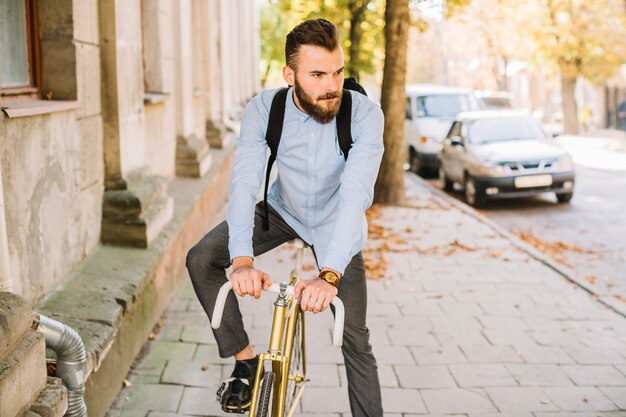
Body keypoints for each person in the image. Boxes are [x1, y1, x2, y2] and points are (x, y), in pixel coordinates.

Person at [186, 18, 384, 417]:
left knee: (354, 336)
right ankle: (246, 362)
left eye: (338, 72)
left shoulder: (364, 114)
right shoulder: (264, 109)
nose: (332, 86)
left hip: (334, 223)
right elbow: (244, 184)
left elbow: (354, 197)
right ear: (289, 74)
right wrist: (241, 259)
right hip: (283, 210)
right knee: (202, 258)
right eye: (317, 74)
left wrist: (329, 275)